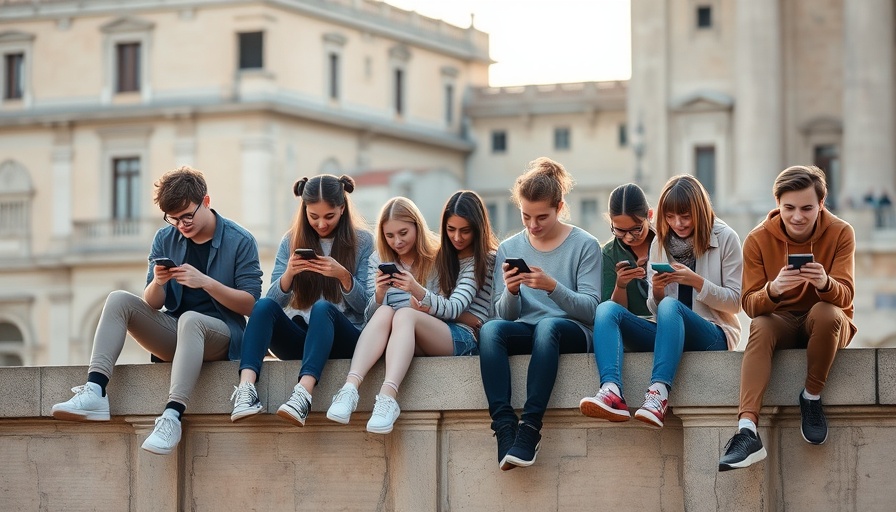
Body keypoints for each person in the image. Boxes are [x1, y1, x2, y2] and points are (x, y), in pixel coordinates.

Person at [51, 166, 262, 455]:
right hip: (177, 334)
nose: (181, 225)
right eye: (173, 219)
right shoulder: (165, 238)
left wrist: (206, 283)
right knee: (119, 299)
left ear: (207, 202)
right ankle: (96, 390)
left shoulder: (240, 240)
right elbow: (151, 303)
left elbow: (251, 304)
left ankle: (172, 415)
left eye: (187, 215)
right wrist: (159, 282)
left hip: (223, 335)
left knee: (191, 320)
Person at [719, 165, 856, 471]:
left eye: (807, 208)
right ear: (777, 205)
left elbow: (846, 298)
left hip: (828, 324)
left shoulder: (841, 232)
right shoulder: (757, 239)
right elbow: (750, 306)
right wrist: (773, 290)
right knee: (761, 324)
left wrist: (824, 284)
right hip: (780, 321)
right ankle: (746, 430)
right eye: (788, 208)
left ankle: (811, 396)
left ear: (821, 205)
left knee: (824, 311)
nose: (797, 217)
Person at [479, 157, 602, 471]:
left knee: (549, 325)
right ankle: (505, 428)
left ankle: (530, 428)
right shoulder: (509, 248)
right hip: (528, 328)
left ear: (559, 207)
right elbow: (504, 315)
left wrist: (553, 287)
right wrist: (511, 291)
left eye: (541, 217)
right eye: (525, 216)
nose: (533, 225)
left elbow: (591, 310)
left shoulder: (585, 244)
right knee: (491, 331)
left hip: (571, 330)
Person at [229, 174, 373, 426]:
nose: (321, 224)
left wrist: (343, 276)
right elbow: (272, 301)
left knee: (322, 309)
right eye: (313, 216)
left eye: (329, 216)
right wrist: (289, 275)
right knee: (262, 306)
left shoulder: (363, 242)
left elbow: (369, 309)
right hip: (302, 339)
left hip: (345, 338)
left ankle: (303, 395)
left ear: (342, 208)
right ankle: (246, 390)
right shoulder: (290, 240)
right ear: (304, 209)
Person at [613, 174, 742, 430]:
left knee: (673, 307)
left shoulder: (726, 237)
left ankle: (658, 394)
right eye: (670, 217)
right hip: (669, 332)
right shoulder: (660, 242)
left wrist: (697, 282)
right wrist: (658, 292)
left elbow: (736, 302)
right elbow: (656, 307)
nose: (678, 224)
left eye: (685, 216)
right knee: (609, 311)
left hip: (713, 333)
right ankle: (609, 391)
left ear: (700, 211)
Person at [324, 196, 441, 434]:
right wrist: (379, 293)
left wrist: (418, 296)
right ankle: (350, 388)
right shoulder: (379, 259)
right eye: (389, 236)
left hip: (427, 331)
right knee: (387, 310)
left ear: (417, 226)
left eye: (403, 233)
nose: (397, 241)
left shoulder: (437, 256)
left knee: (403, 314)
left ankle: (388, 397)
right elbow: (370, 317)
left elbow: (448, 307)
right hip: (393, 336)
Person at [579, 183, 657, 422]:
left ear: (650, 216)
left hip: (668, 328)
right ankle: (611, 391)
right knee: (606, 308)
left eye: (636, 229)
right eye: (619, 231)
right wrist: (621, 285)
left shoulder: (665, 244)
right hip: (634, 332)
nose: (629, 237)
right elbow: (611, 314)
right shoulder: (609, 253)